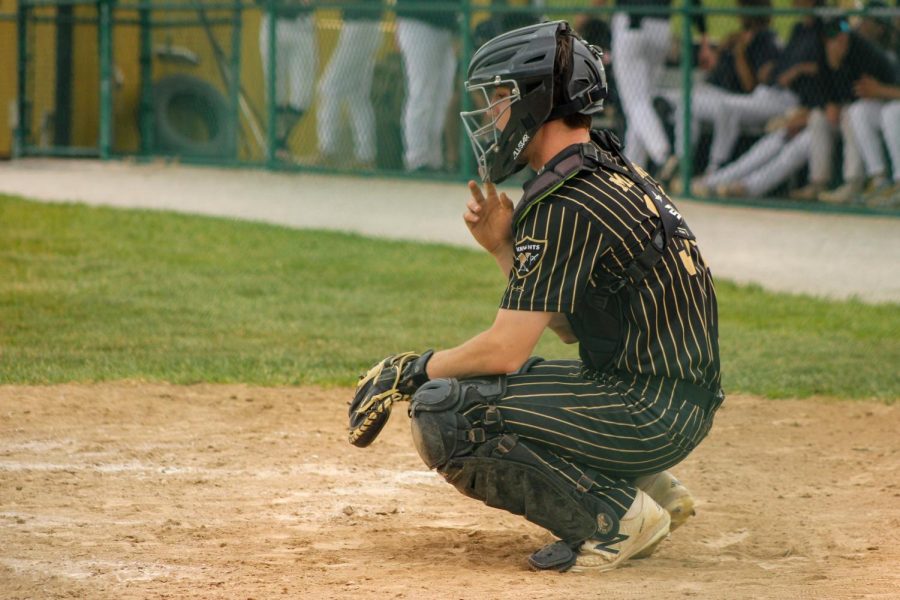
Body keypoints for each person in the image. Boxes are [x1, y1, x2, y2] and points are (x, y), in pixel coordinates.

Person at [349, 21, 723, 573]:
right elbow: (571, 327)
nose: (493, 114)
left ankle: (614, 515)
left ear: (536, 99)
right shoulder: (608, 171)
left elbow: (505, 351)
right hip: (667, 399)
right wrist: (505, 248)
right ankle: (646, 486)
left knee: (445, 410)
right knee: (476, 386)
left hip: (650, 410)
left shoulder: (566, 200)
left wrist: (411, 368)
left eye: (500, 98)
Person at [660, 0, 780, 184]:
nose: (739, 12)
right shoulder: (737, 36)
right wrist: (723, 49)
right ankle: (681, 162)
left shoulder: (765, 40)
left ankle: (713, 167)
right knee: (679, 102)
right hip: (711, 92)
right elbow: (714, 70)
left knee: (690, 103)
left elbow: (751, 87)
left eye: (744, 7)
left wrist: (740, 54)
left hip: (732, 98)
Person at [611, 0, 711, 171]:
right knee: (642, 106)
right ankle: (632, 171)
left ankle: (662, 154)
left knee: (636, 104)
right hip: (661, 28)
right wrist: (703, 34)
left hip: (631, 24)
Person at [315, 0, 384, 169]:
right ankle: (366, 156)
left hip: (360, 27)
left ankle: (327, 150)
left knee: (329, 87)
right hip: (365, 27)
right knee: (357, 95)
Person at [395, 0, 459, 172]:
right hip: (418, 21)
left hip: (445, 26)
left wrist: (457, 29)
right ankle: (417, 158)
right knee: (421, 93)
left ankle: (433, 159)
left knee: (442, 96)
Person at [258, 0, 317, 155]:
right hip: (273, 22)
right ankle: (278, 147)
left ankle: (278, 139)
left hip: (302, 25)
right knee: (275, 90)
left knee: (303, 96)